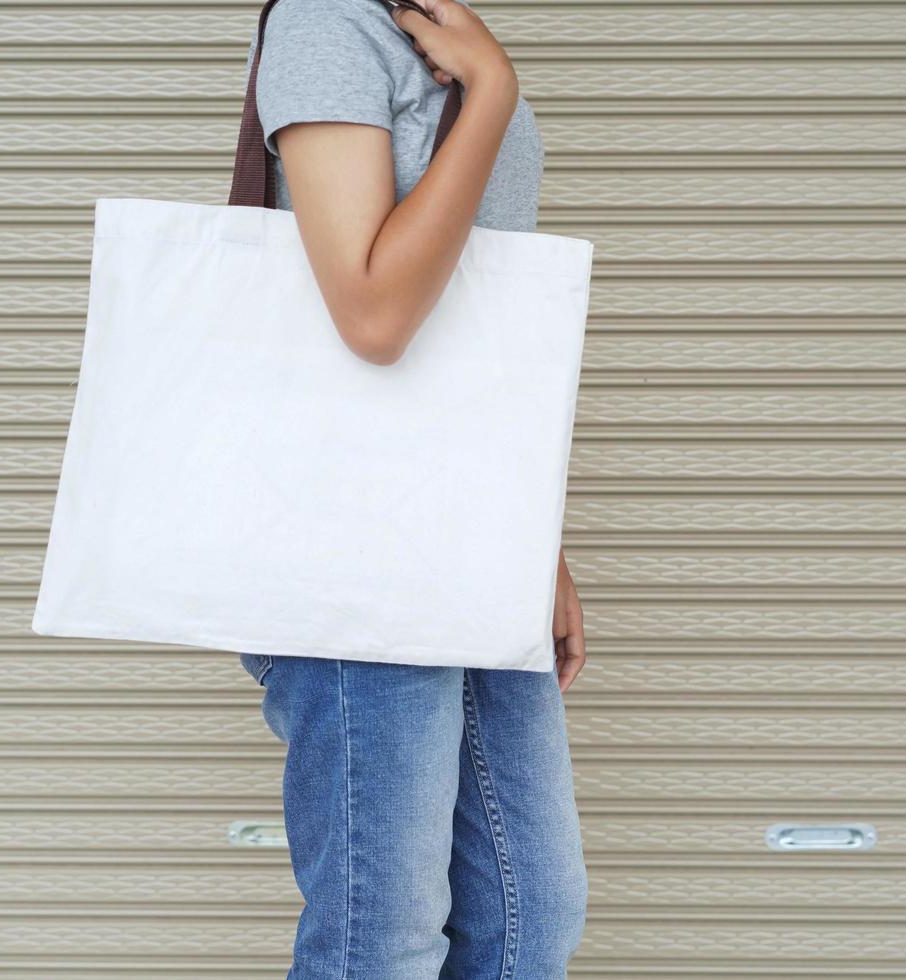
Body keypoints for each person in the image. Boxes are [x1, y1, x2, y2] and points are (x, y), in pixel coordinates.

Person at [233, 0, 591, 976]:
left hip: (473, 528)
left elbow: (481, 320)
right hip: (347, 542)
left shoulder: (447, 23)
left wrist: (536, 535)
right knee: (380, 939)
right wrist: (492, 97)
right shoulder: (329, 20)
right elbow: (376, 311)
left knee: (531, 918)